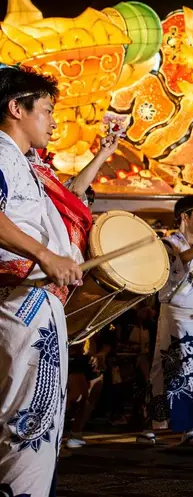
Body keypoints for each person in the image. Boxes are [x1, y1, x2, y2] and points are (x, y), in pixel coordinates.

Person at [0, 66, 83, 496]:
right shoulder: (0, 153)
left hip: (33, 302)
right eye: (47, 110)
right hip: (19, 300)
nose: (53, 120)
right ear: (17, 108)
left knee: (35, 418)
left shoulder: (26, 164)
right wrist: (45, 254)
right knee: (26, 419)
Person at [138, 195, 193, 447]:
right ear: (183, 217)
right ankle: (152, 425)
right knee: (168, 368)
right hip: (175, 313)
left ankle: (191, 428)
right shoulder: (167, 243)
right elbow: (179, 262)